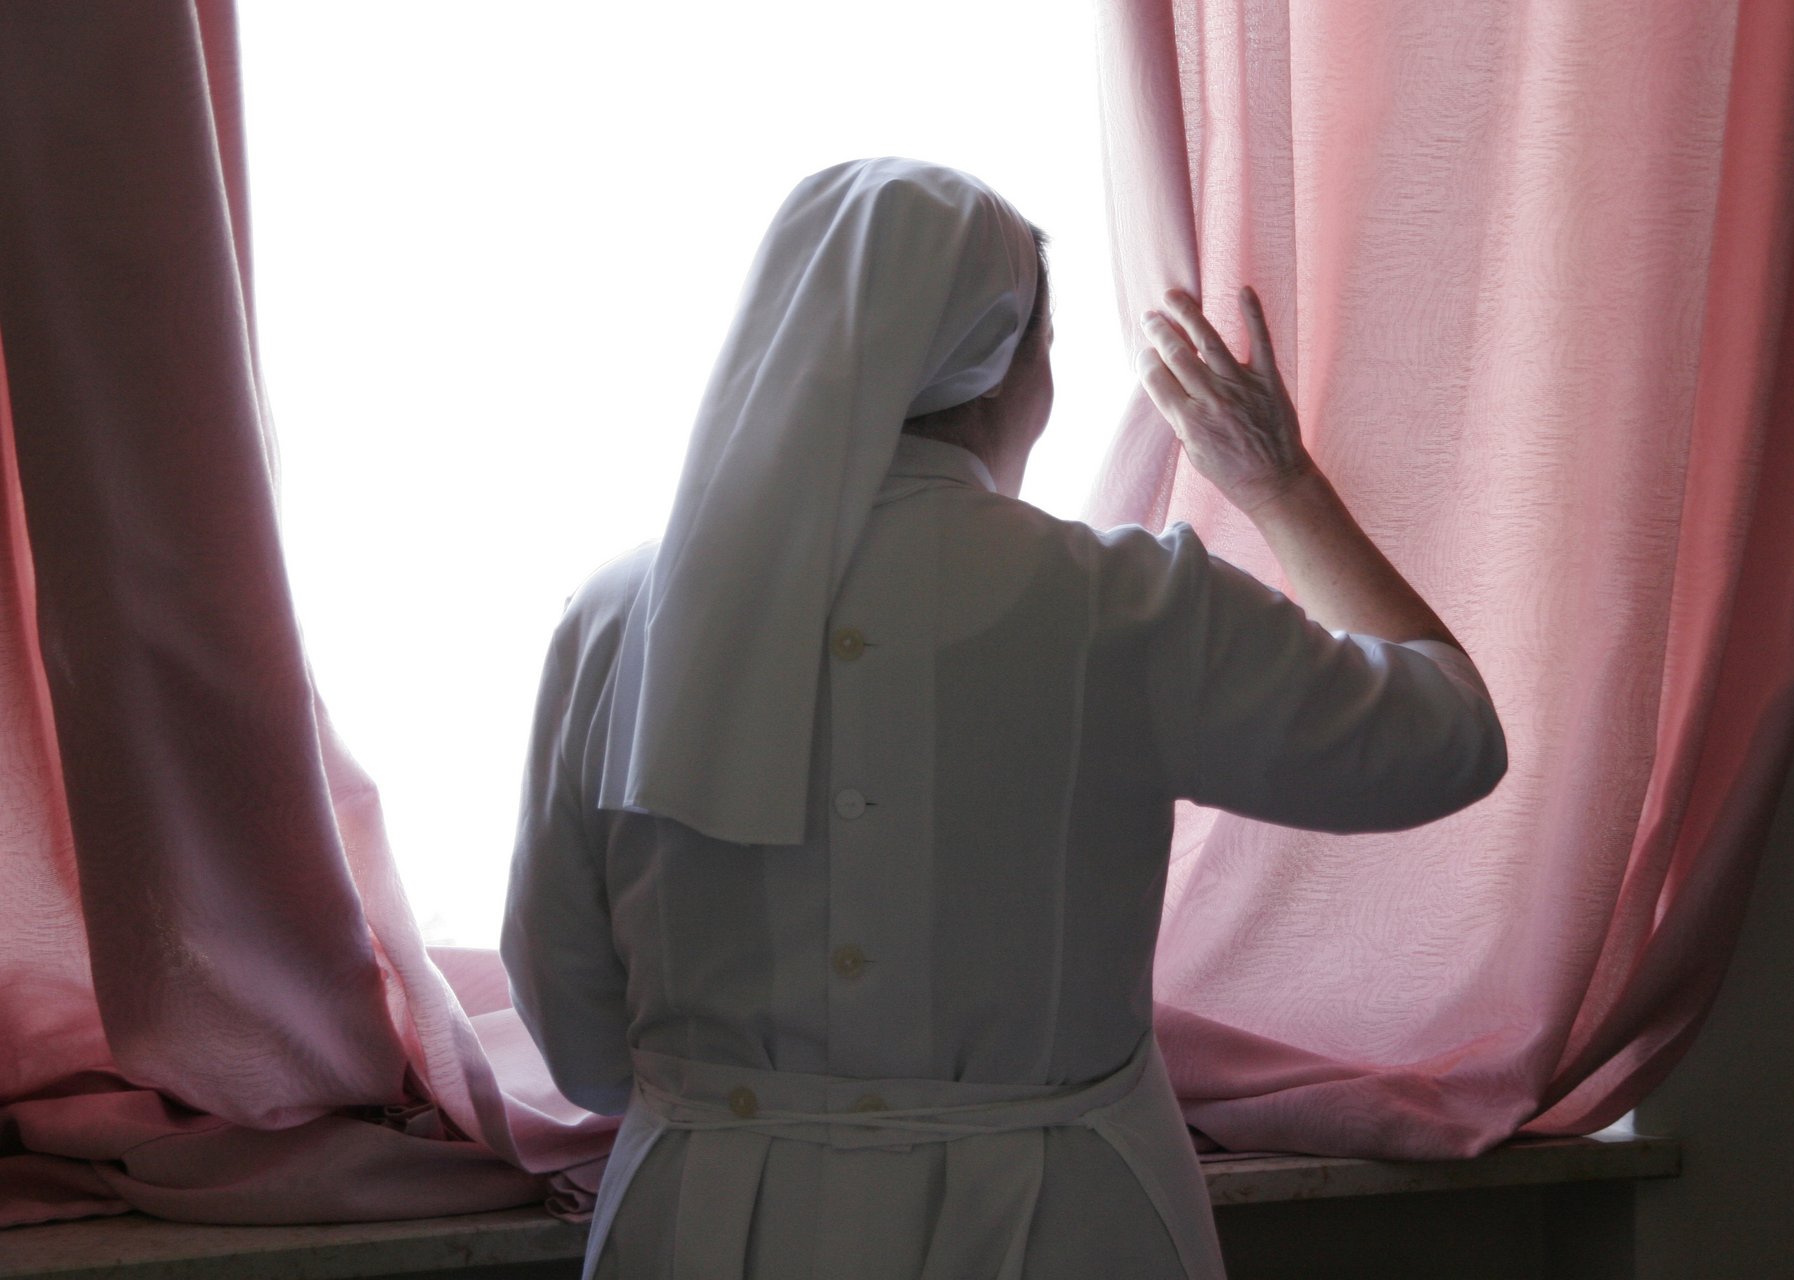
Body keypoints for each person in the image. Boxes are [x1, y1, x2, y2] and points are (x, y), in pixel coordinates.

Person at [502, 156, 1507, 1280]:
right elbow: (1448, 736)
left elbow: (579, 1036)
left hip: (703, 1225)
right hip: (1059, 1226)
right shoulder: (1125, 606)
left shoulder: (613, 619)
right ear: (1000, 367)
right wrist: (1280, 486)